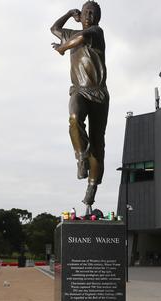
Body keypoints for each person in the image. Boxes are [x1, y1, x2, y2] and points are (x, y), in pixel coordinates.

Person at [51, 1, 109, 214]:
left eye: (94, 13)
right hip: (79, 90)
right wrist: (68, 13)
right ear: (81, 15)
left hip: (99, 94)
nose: (90, 15)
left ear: (97, 18)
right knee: (74, 118)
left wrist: (62, 49)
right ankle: (80, 158)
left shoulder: (96, 32)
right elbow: (54, 29)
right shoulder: (72, 33)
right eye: (86, 12)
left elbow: (81, 38)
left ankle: (92, 188)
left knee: (97, 144)